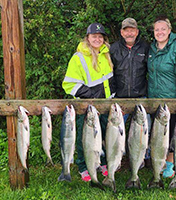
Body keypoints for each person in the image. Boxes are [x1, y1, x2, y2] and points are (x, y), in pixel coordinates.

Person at [62, 23, 116, 181]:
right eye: (94, 36)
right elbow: (69, 84)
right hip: (86, 106)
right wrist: (91, 95)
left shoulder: (106, 54)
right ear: (88, 38)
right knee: (83, 139)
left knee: (105, 136)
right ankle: (83, 166)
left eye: (100, 36)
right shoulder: (78, 57)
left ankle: (103, 162)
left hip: (106, 104)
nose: (97, 39)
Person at [147, 16, 176, 178]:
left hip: (173, 101)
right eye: (157, 29)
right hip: (154, 101)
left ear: (169, 30)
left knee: (173, 135)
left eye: (163, 29)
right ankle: (159, 163)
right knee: (158, 136)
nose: (160, 32)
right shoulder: (151, 49)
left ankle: (170, 165)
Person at [109, 18, 151, 168]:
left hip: (141, 96)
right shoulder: (113, 49)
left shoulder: (145, 48)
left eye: (132, 30)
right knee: (114, 131)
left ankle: (143, 158)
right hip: (120, 98)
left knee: (145, 130)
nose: (129, 33)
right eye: (126, 30)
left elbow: (151, 71)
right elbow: (108, 73)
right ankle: (116, 159)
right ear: (121, 32)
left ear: (137, 31)